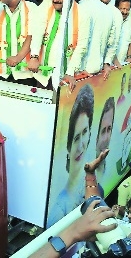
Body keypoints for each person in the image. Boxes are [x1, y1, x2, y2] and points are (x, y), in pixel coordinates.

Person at [48, 84, 94, 226]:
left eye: (85, 132)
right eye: (76, 138)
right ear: (68, 147)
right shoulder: (59, 210)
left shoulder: (92, 184)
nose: (81, 145)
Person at [61, 0, 114, 91]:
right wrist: (107, 63)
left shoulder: (80, 8)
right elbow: (111, 42)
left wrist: (71, 71)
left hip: (80, 72)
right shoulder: (109, 11)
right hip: (98, 70)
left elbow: (82, 43)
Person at [27, 0, 78, 87]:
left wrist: (70, 72)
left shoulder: (80, 12)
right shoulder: (46, 4)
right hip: (43, 72)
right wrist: (34, 56)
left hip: (66, 77)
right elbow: (37, 30)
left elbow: (82, 46)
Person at [114, 0, 131, 67]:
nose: (125, 12)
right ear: (116, 7)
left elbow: (130, 41)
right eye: (122, 8)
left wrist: (129, 56)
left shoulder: (129, 21)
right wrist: (114, 60)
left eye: (127, 9)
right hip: (108, 66)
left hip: (122, 65)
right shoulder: (111, 20)